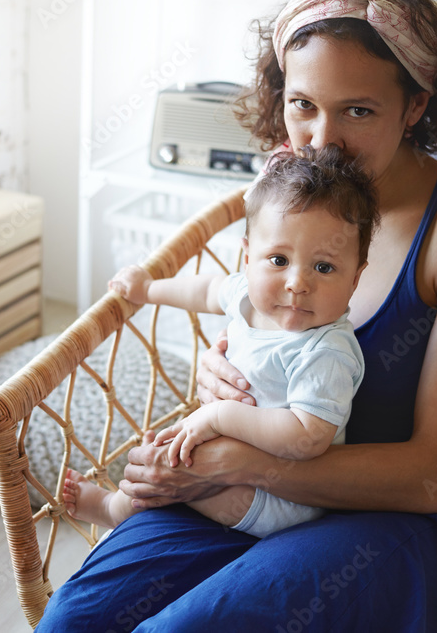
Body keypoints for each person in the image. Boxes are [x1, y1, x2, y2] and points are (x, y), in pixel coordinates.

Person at [37, 0, 437, 630]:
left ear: (415, 104)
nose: (320, 140)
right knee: (71, 618)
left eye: (358, 110)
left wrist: (233, 458)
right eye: (303, 105)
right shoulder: (286, 189)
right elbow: (251, 311)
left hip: (402, 521)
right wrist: (221, 360)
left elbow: (436, 478)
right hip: (258, 493)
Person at [64, 145, 378, 538]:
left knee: (172, 468)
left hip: (281, 497)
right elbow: (207, 290)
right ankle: (124, 508)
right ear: (247, 257)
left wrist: (218, 417)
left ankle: (116, 509)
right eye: (279, 260)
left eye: (324, 267)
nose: (298, 283)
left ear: (355, 277)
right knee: (161, 455)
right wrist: (148, 288)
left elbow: (308, 437)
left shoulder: (325, 350)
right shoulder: (247, 295)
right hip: (229, 456)